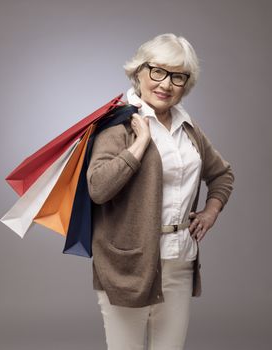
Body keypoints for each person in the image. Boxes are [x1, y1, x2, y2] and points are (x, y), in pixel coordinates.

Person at [86, 33, 234, 349]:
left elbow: (222, 175)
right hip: (128, 267)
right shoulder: (118, 125)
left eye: (177, 76)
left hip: (179, 262)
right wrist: (139, 145)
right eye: (158, 71)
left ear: (186, 83)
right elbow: (98, 188)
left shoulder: (188, 127)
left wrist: (211, 210)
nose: (166, 84)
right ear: (139, 71)